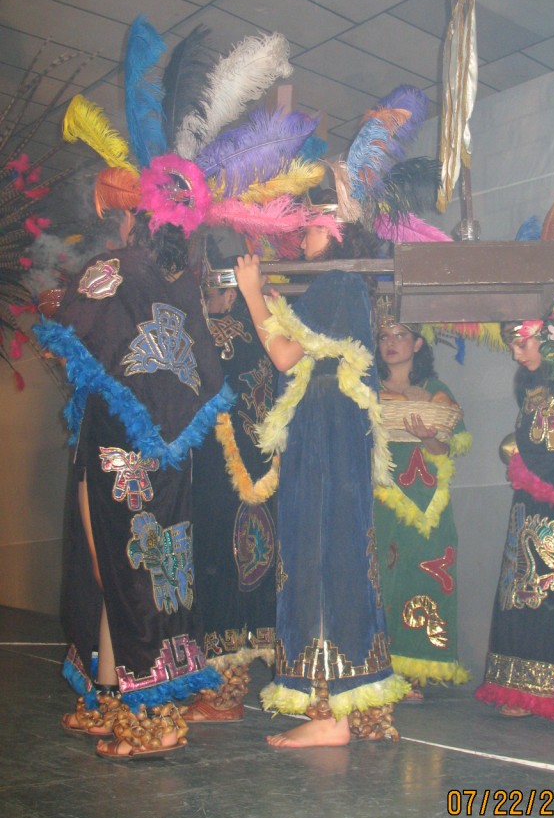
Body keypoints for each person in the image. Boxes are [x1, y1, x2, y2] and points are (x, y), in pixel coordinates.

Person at [36, 211, 234, 758]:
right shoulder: (183, 283)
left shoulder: (113, 268)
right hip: (168, 455)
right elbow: (204, 374)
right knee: (127, 570)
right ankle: (110, 695)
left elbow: (62, 336)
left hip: (119, 441)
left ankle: (155, 719)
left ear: (130, 218)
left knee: (123, 571)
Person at [233, 198, 410, 748]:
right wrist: (269, 297)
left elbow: (284, 356)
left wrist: (249, 296)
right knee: (333, 556)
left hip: (326, 438)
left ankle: (329, 717)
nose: (301, 237)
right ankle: (343, 706)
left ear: (330, 232)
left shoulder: (336, 282)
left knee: (319, 553)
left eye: (308, 227)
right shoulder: (339, 287)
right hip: (330, 432)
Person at [475, 318, 554, 721]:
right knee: (521, 590)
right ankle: (523, 686)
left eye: (523, 343)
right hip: (531, 500)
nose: (516, 353)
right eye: (512, 345)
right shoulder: (530, 387)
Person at [184, 237, 278, 723]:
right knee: (257, 579)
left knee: (221, 572)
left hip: (224, 475)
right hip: (267, 470)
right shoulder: (270, 327)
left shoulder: (210, 333)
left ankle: (224, 695)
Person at [373, 319, 472, 698]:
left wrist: (428, 437)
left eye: (400, 336)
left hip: (427, 504)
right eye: (384, 337)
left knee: (422, 577)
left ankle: (413, 669)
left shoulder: (436, 391)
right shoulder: (368, 390)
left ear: (417, 344)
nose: (391, 343)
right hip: (381, 495)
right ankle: (377, 669)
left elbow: (444, 448)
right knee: (381, 576)